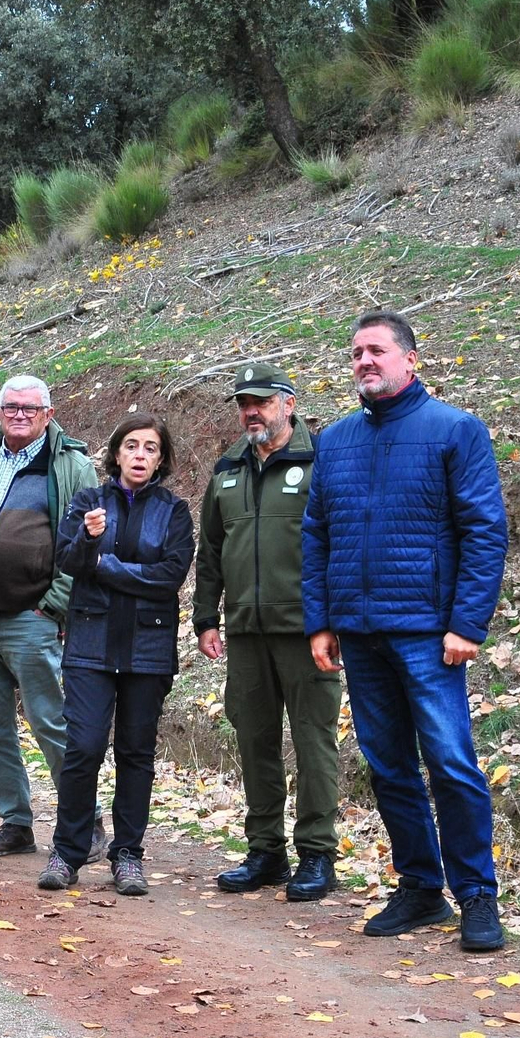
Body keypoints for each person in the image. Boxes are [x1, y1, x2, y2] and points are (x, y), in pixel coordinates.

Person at [302, 310, 509, 951]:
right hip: (359, 633)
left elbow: (485, 531)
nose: (365, 361)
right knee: (389, 766)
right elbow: (316, 534)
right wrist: (322, 622)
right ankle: (421, 888)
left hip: (429, 634)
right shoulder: (334, 441)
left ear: (411, 359)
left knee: (450, 763)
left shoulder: (455, 431)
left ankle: (477, 896)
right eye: (356, 352)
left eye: (377, 351)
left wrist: (467, 624)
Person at [195, 364, 342, 901]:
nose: (251, 411)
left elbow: (339, 543)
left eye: (261, 401)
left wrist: (334, 620)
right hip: (246, 633)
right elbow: (210, 550)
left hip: (308, 633)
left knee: (313, 743)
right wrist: (206, 618)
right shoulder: (227, 469)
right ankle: (265, 851)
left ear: (288, 402)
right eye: (243, 403)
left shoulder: (321, 459)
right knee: (255, 741)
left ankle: (318, 855)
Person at [38, 412, 193, 897]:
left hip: (148, 650)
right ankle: (68, 852)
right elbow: (65, 561)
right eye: (131, 446)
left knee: (135, 754)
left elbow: (169, 577)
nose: (140, 456)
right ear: (116, 453)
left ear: (161, 457)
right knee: (83, 748)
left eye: (150, 447)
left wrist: (105, 565)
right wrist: (87, 541)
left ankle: (128, 855)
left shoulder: (175, 511)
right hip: (89, 645)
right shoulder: (88, 503)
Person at [0, 376, 101, 859]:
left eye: (30, 408)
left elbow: (87, 541)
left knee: (51, 722)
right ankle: (15, 824)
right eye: (11, 407)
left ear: (48, 413)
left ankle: (85, 819)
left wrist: (54, 605)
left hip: (32, 618)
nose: (19, 415)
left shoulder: (71, 467)